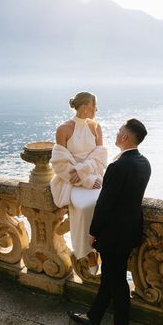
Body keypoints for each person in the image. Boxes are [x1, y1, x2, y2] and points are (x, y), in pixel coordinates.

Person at [68, 118, 151, 325]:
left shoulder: (118, 166)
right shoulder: (144, 163)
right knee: (110, 277)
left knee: (117, 281)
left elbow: (105, 203)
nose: (117, 133)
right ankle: (92, 317)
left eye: (120, 130)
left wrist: (92, 232)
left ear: (125, 137)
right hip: (130, 230)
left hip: (114, 235)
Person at [50, 92, 107, 274]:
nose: (96, 109)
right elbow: (60, 163)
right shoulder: (63, 129)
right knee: (82, 208)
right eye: (94, 105)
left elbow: (100, 158)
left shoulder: (96, 127)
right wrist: (85, 179)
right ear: (84, 107)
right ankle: (88, 253)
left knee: (103, 203)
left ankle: (101, 246)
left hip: (93, 177)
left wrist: (86, 173)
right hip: (71, 181)